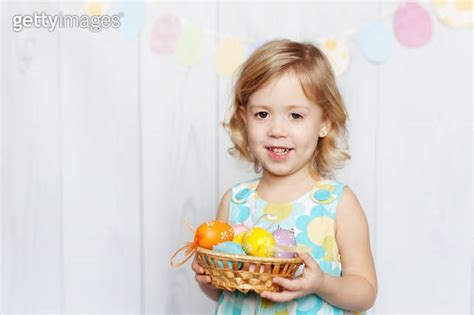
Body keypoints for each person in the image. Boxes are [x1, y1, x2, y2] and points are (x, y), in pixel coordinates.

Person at [192, 38, 377, 314]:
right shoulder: (235, 202)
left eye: (295, 116)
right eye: (263, 114)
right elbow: (225, 290)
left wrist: (322, 284)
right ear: (244, 118)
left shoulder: (337, 204)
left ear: (324, 122)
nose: (277, 129)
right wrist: (208, 279)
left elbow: (365, 291)